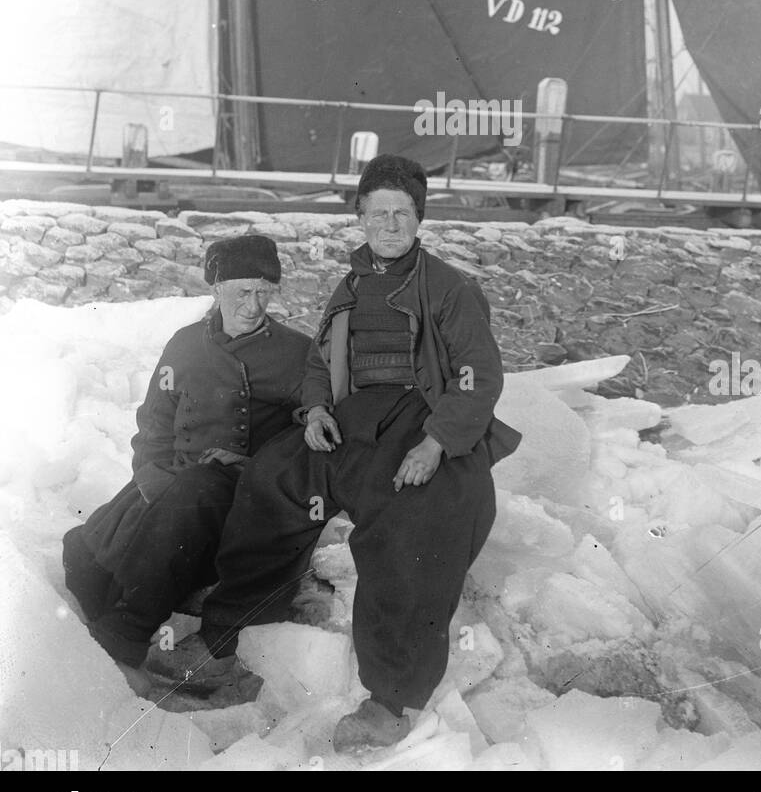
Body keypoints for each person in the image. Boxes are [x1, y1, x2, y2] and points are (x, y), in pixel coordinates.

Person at [148, 154, 521, 750]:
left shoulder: (452, 289)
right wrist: (317, 410)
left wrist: (437, 444)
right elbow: (322, 362)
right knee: (273, 477)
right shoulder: (350, 286)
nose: (390, 226)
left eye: (402, 214)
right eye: (379, 214)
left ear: (418, 219)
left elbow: (477, 375)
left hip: (425, 421)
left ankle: (391, 700)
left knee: (410, 527)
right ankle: (227, 637)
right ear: (362, 217)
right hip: (351, 422)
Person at [62, 234, 311, 692]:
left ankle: (126, 637)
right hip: (175, 484)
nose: (253, 306)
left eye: (263, 292)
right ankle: (120, 652)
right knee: (81, 552)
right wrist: (153, 484)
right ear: (216, 291)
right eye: (241, 292)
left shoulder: (297, 354)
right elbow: (153, 427)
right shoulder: (184, 345)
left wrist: (251, 461)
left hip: (242, 494)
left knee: (195, 491)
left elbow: (307, 437)